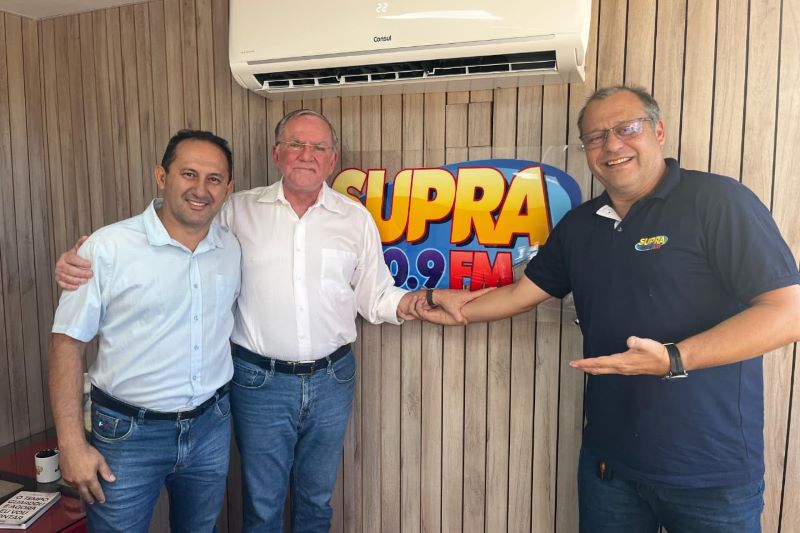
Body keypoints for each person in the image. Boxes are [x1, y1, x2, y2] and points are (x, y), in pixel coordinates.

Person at [55, 110, 464, 532]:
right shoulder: (235, 212)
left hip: (332, 380)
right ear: (276, 153)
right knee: (262, 505)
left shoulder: (354, 218)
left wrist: (424, 301)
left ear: (332, 159)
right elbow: (176, 228)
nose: (306, 154)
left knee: (316, 501)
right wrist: (82, 261)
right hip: (258, 383)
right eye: (295, 144)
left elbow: (374, 295)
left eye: (318, 147)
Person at [418, 86, 800, 532]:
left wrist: (674, 358)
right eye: (596, 137)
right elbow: (522, 293)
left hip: (708, 472)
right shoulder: (580, 226)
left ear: (658, 131)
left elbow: (787, 313)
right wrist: (451, 305)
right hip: (610, 466)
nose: (612, 145)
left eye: (627, 128)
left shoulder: (718, 200)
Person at [49, 130, 240, 533]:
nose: (200, 189)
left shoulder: (231, 248)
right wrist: (71, 444)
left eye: (214, 179)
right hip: (127, 434)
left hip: (210, 425)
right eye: (188, 174)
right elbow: (67, 344)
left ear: (228, 189)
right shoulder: (107, 248)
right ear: (161, 176)